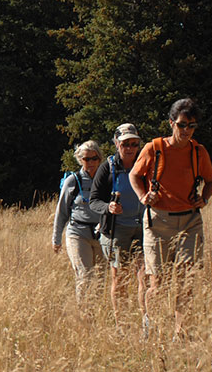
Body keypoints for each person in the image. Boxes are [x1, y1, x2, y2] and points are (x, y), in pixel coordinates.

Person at [129, 98, 212, 340]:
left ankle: (181, 333)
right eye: (182, 125)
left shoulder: (198, 152)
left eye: (192, 126)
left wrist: (205, 198)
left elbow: (211, 179)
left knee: (188, 280)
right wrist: (143, 196)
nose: (187, 131)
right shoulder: (154, 148)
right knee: (158, 285)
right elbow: (134, 176)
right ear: (171, 123)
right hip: (158, 223)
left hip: (190, 221)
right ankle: (150, 326)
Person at [88, 123, 145, 316]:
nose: (129, 148)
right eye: (125, 144)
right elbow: (94, 201)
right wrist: (108, 207)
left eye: (134, 144)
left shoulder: (145, 164)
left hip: (144, 228)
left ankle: (146, 320)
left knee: (145, 276)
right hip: (117, 230)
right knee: (120, 278)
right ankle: (122, 323)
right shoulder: (107, 168)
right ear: (116, 143)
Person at [52, 140, 105, 303]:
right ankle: (84, 314)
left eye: (94, 158)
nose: (90, 163)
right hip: (77, 233)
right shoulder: (73, 181)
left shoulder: (106, 180)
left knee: (102, 278)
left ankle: (97, 313)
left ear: (99, 158)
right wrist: (56, 239)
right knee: (85, 274)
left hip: (101, 235)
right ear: (80, 160)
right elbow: (61, 212)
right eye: (86, 159)